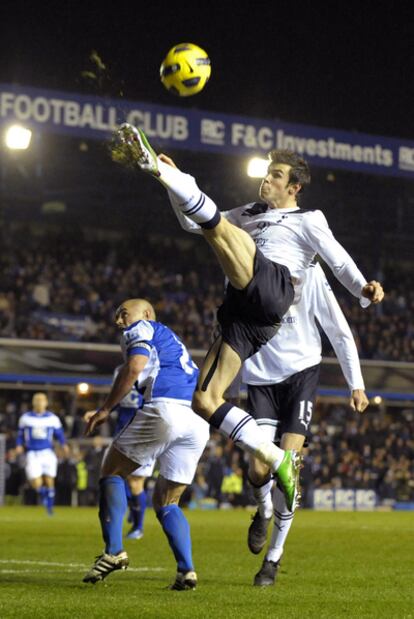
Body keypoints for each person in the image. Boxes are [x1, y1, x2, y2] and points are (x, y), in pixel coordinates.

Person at [111, 124, 383, 513]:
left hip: (274, 288)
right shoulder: (248, 214)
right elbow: (191, 221)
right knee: (204, 400)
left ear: (294, 188)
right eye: (267, 172)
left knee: (218, 230)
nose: (266, 179)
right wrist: (174, 188)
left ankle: (154, 166)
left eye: (276, 175)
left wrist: (362, 289)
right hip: (243, 317)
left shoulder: (308, 219)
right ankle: (277, 462)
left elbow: (337, 259)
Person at [242, 261, 369, 586]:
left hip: (302, 374)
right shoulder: (250, 268)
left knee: (288, 469)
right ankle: (264, 509)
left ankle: (273, 558)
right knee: (258, 469)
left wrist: (356, 384)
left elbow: (338, 329)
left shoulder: (311, 274)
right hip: (261, 378)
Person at [82, 298, 209, 590]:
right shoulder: (173, 341)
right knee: (167, 501)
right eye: (117, 315)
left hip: (167, 410)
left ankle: (114, 551)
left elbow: (135, 367)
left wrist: (104, 410)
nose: (119, 320)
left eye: (123, 313)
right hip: (196, 422)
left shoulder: (142, 327)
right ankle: (186, 571)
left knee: (111, 472)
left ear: (147, 314)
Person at [111, 365, 154, 540]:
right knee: (119, 477)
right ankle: (134, 507)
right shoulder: (120, 370)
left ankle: (138, 526)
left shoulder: (154, 369)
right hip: (122, 431)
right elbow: (116, 397)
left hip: (143, 432)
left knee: (137, 481)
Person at [15, 392, 69, 515]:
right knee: (35, 481)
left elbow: (59, 434)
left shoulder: (52, 418)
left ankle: (49, 508)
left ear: (46, 402)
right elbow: (20, 435)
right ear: (33, 402)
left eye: (41, 400)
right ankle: (44, 495)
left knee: (50, 479)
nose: (39, 402)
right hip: (32, 453)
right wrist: (18, 445)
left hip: (47, 452)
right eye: (37, 400)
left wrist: (64, 444)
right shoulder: (25, 418)